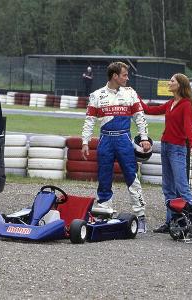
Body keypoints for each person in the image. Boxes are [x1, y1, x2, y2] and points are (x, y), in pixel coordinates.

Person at [81, 61, 152, 233]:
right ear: (115, 76)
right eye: (124, 75)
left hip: (124, 139)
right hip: (105, 140)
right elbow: (89, 120)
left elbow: (139, 117)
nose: (127, 78)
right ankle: (104, 213)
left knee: (131, 176)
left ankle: (140, 216)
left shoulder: (130, 93)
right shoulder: (97, 95)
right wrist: (85, 141)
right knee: (104, 177)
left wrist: (144, 138)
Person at [139, 73, 192, 233]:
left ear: (180, 85)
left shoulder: (186, 104)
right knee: (168, 187)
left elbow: (188, 126)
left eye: (172, 81)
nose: (169, 83)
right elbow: (149, 110)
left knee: (182, 187)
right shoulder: (171, 102)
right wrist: (135, 97)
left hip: (177, 148)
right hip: (165, 146)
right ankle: (170, 222)